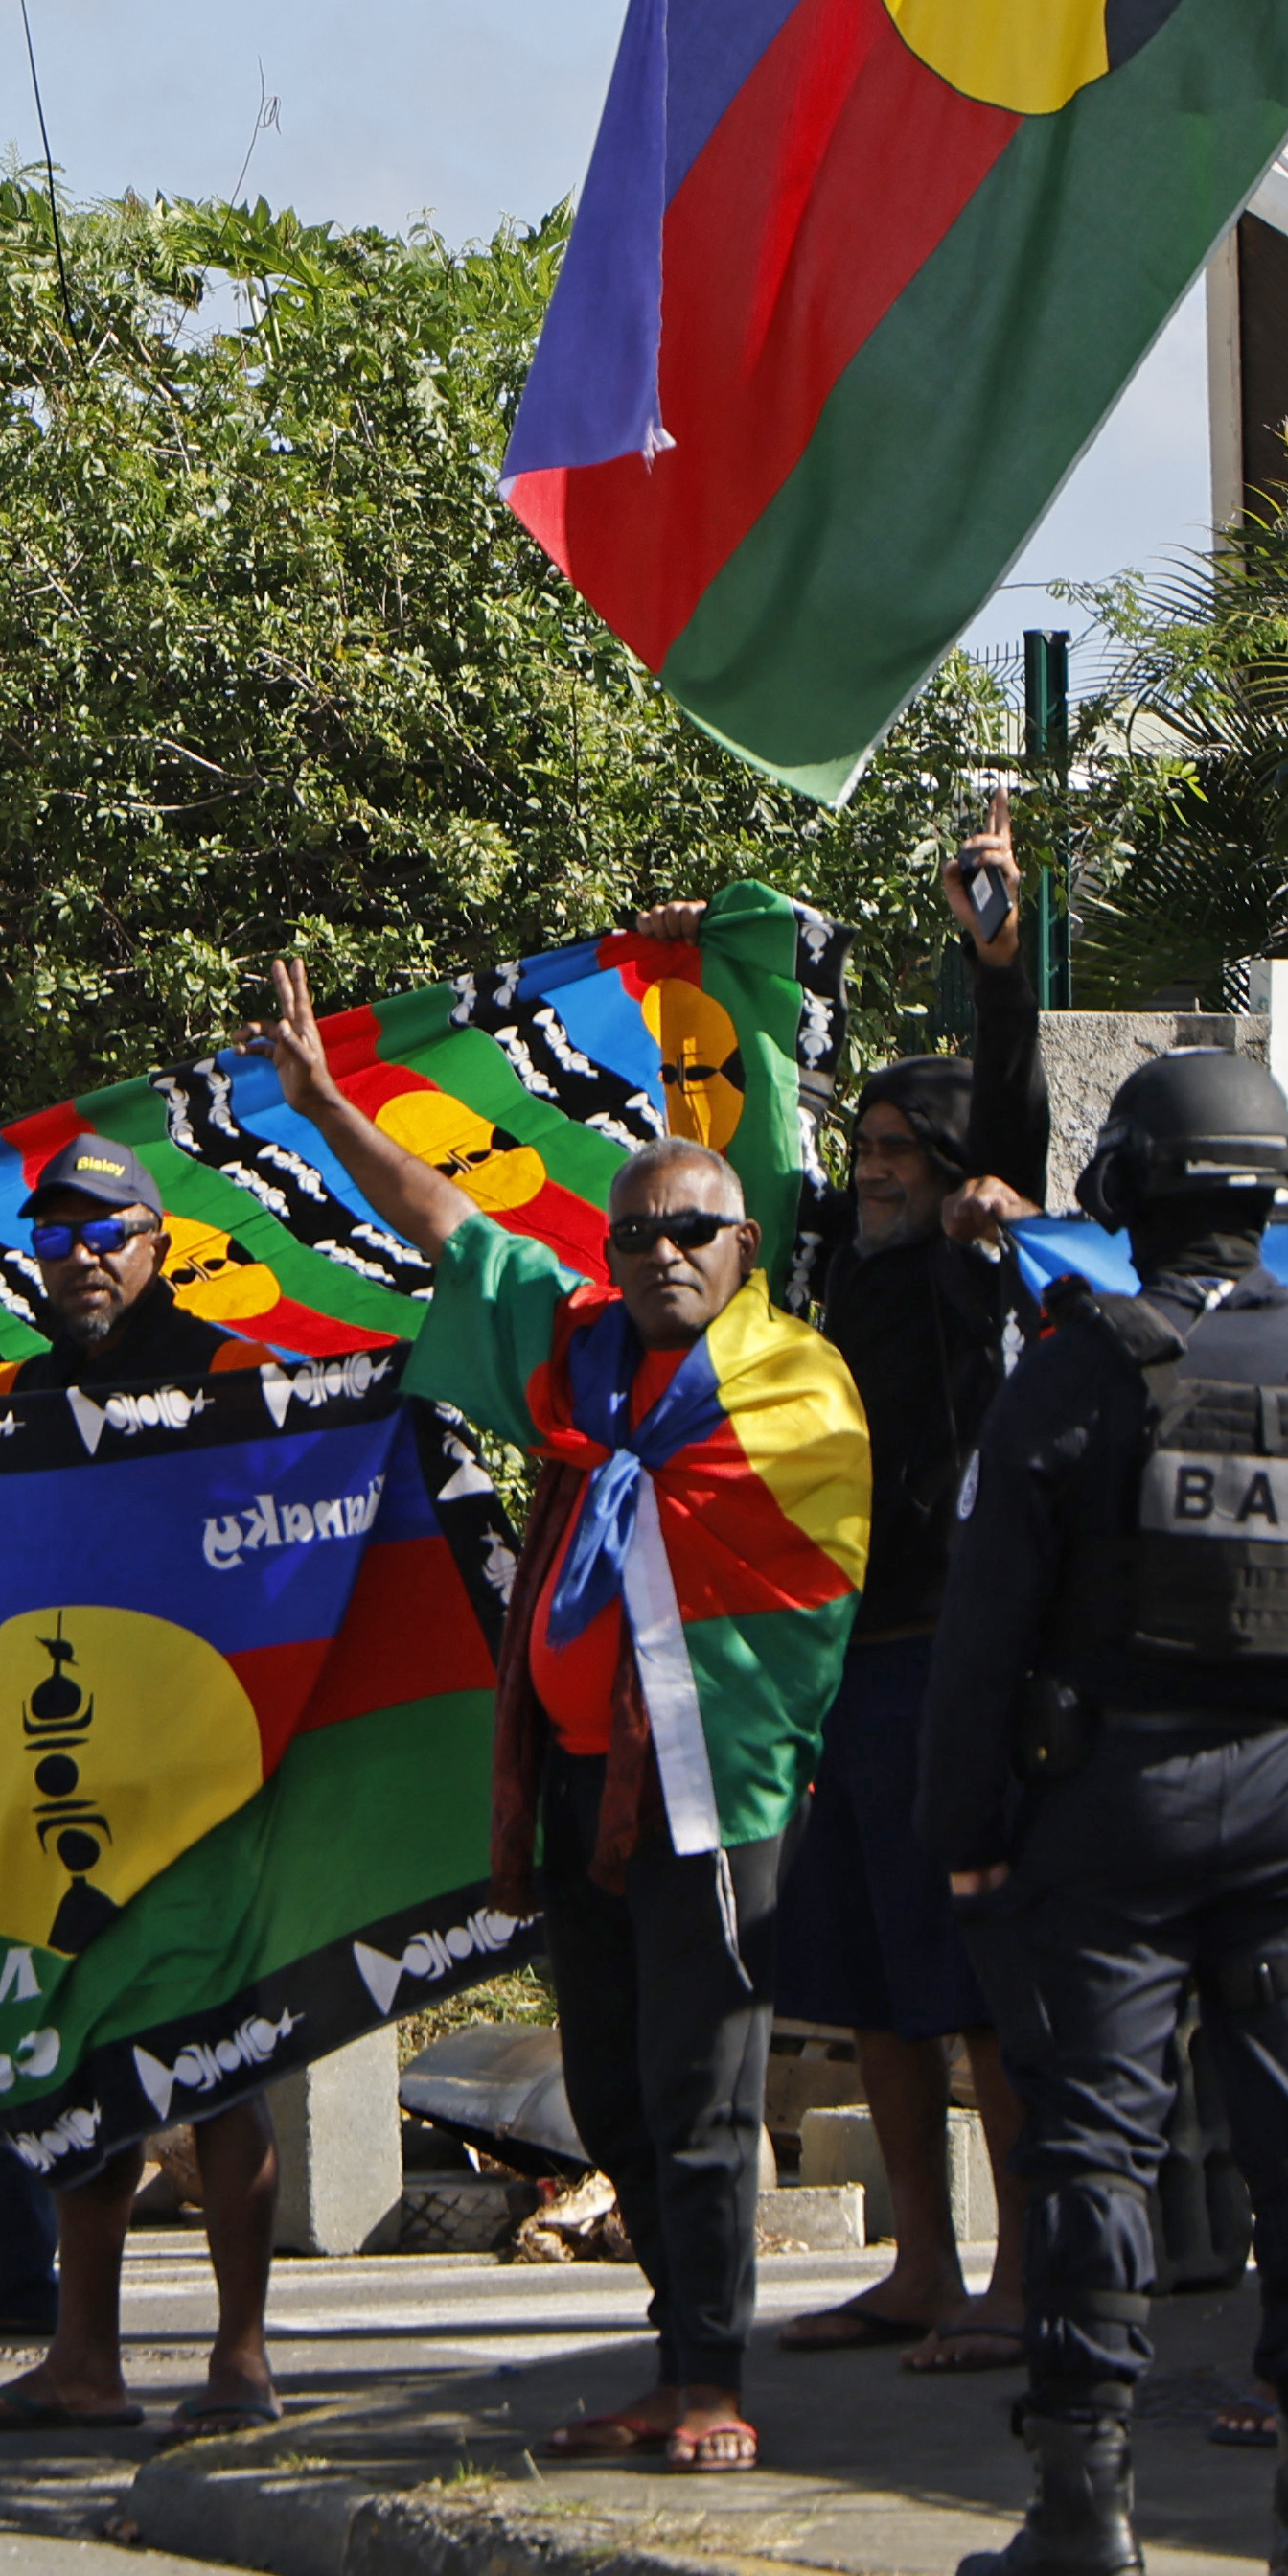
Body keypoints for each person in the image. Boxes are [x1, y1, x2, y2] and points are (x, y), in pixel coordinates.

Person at [253, 994, 865, 2476]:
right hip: (581, 1787)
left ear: (745, 1247)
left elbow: (817, 1591)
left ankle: (712, 2376)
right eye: (637, 1232)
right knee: (604, 2085)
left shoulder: (794, 1384)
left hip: (716, 1795)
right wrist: (328, 1107)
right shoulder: (585, 1367)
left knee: (699, 2090)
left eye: (693, 1230)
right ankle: (673, 2344)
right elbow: (453, 1226)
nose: (662, 1251)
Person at [927, 1051, 1288, 2576]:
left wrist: (961, 1824)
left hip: (1111, 1806)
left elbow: (981, 1629)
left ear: (1126, 1188)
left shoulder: (1078, 1368)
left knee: (1090, 2144)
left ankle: (1083, 2512)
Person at [0, 1131, 317, 2445]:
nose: (80, 1254)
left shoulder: (233, 1371)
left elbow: (295, 1537)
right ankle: (81, 2358)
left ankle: (242, 2353)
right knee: (78, 2049)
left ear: (160, 1245)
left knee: (217, 2060)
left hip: (201, 1776)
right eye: (54, 1234)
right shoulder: (12, 1388)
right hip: (55, 1778)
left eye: (106, 1231)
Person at [770, 807, 1053, 2376]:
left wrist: (991, 960)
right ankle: (919, 2264)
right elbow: (737, 1125)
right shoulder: (827, 1266)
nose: (871, 1175)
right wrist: (713, 973)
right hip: (837, 1663)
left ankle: (1018, 2268)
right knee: (868, 1979)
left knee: (969, 1983)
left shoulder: (961, 1268)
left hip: (949, 1662)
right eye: (864, 1153)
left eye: (899, 1158)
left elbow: (1009, 1116)